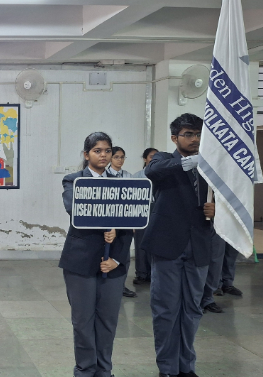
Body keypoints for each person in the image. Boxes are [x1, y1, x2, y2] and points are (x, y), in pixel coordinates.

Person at [143, 113, 215, 377]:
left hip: (199, 245)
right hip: (168, 245)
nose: (195, 139)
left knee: (192, 309)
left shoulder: (211, 165)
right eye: (189, 134)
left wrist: (217, 209)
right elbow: (152, 171)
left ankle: (186, 366)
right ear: (175, 138)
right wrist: (190, 162)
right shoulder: (163, 159)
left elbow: (225, 195)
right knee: (166, 310)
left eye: (198, 134)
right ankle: (167, 368)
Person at [60, 132, 132, 377]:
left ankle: (104, 370)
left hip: (113, 263)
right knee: (83, 321)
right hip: (80, 262)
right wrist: (108, 223)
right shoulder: (73, 180)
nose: (103, 155)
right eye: (97, 151)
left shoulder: (121, 183)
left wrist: (117, 258)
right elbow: (75, 208)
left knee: (108, 321)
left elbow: (131, 222)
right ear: (86, 154)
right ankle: (85, 369)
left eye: (107, 151)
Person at [106, 146, 137, 298]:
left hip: (125, 221)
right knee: (109, 252)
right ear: (110, 158)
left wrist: (134, 223)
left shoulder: (129, 176)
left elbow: (134, 200)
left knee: (123, 254)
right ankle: (107, 283)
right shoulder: (104, 176)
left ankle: (121, 285)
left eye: (122, 157)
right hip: (109, 220)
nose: (120, 160)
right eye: (116, 157)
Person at [132, 148, 158, 286]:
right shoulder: (137, 176)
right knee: (140, 244)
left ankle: (154, 273)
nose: (154, 159)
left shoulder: (161, 175)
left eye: (156, 157)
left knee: (155, 244)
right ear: (145, 159)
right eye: (151, 156)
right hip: (141, 210)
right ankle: (141, 274)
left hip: (157, 210)